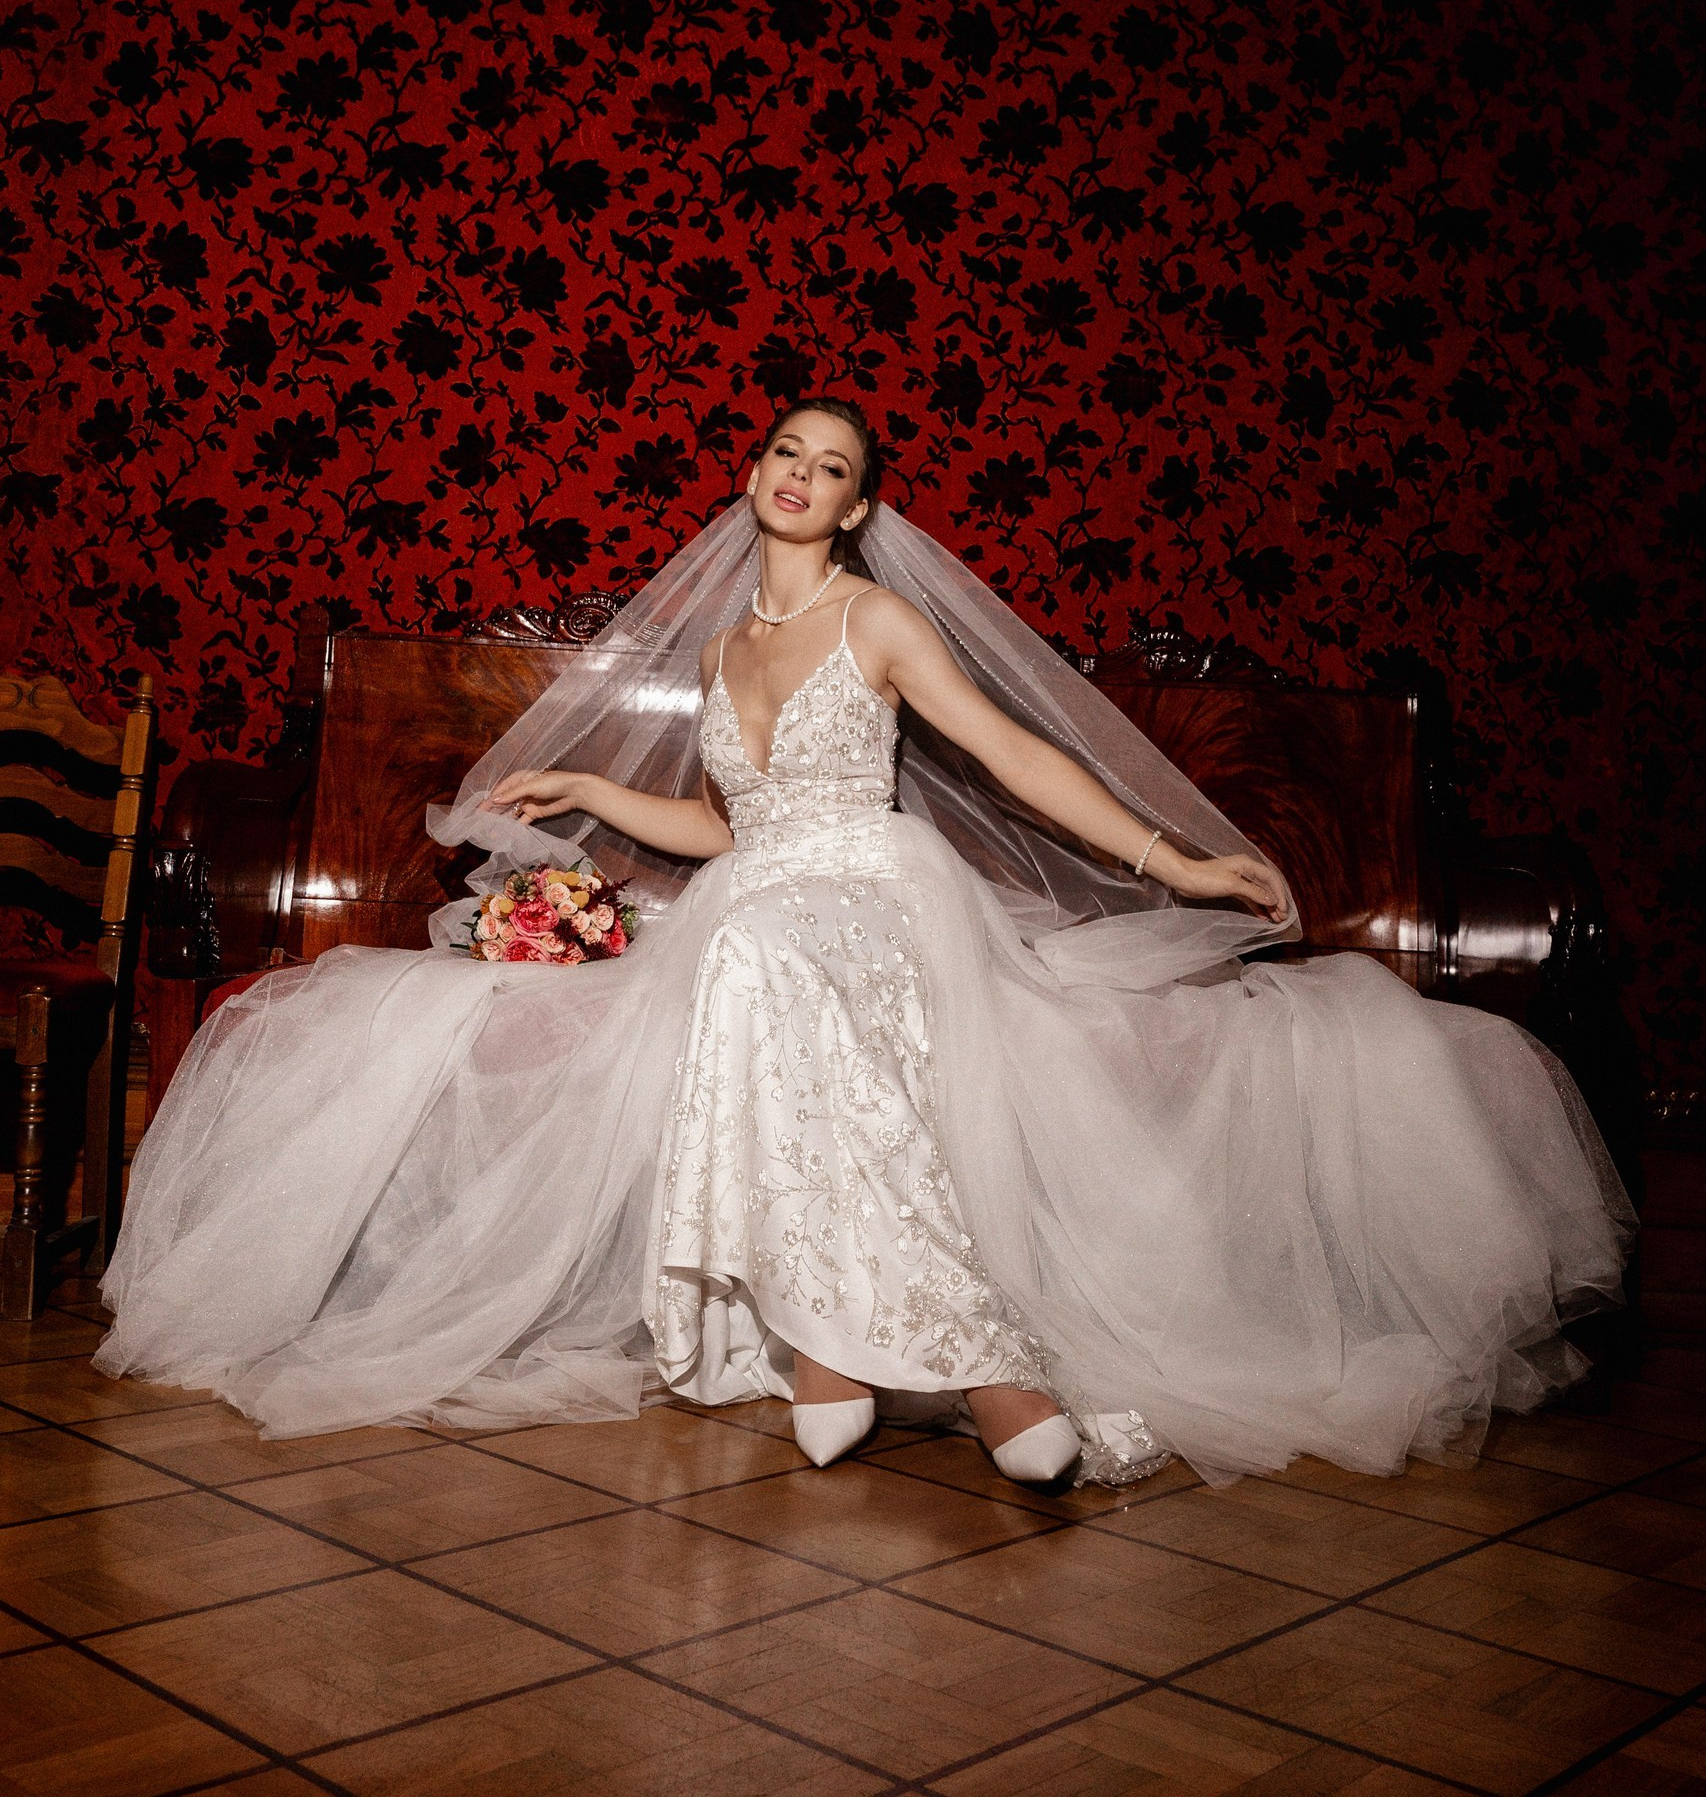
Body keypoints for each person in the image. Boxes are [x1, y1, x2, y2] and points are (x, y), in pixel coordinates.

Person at [97, 398, 1633, 1492]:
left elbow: (1014, 757)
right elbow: (723, 825)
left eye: (831, 469)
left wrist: (1172, 857)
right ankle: (841, 1346)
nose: (801, 477)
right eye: (787, 452)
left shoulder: (876, 623)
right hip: (760, 892)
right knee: (745, 954)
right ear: (753, 474)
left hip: (873, 889)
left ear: (853, 511)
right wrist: (594, 793)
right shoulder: (722, 648)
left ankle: (949, 1358)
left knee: (768, 962)